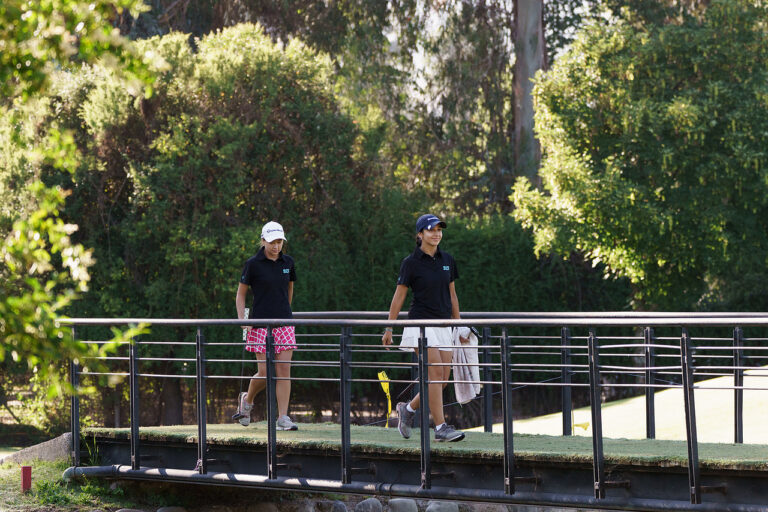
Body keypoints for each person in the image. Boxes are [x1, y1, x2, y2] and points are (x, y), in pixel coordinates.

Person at [381, 214, 465, 442]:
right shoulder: (410, 262)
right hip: (420, 326)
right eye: (431, 230)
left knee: (441, 380)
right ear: (420, 234)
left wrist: (458, 325)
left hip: (444, 326)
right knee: (434, 375)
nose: (436, 234)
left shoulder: (448, 259)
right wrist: (389, 328)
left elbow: (452, 294)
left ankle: (407, 409)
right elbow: (399, 296)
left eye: (439, 229)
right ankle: (440, 428)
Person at [233, 221, 298, 431]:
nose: (276, 246)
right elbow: (241, 295)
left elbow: (289, 289)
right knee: (264, 372)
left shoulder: (288, 262)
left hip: (284, 323)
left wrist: (285, 313)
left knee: (283, 370)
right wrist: (243, 320)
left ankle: (283, 418)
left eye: (279, 242)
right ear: (263, 241)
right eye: (272, 242)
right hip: (259, 324)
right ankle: (247, 400)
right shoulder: (252, 264)